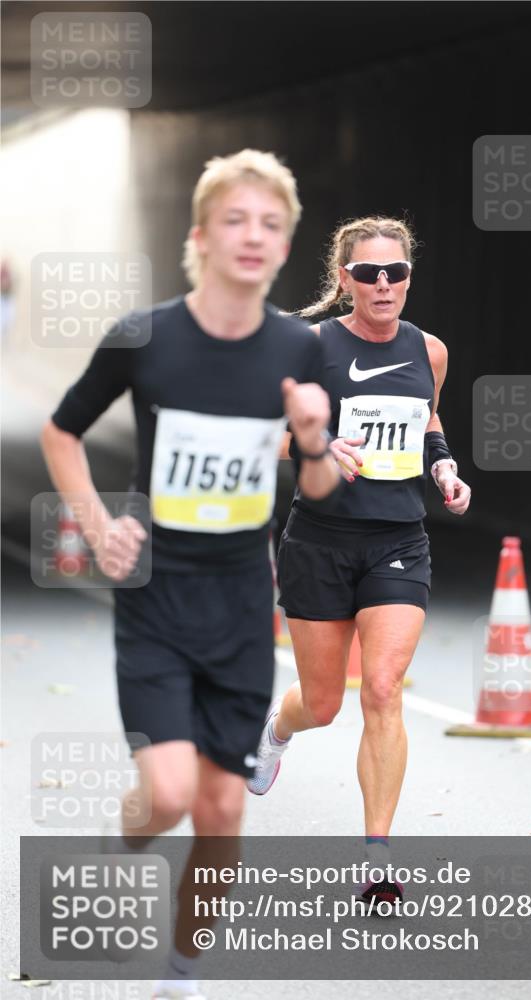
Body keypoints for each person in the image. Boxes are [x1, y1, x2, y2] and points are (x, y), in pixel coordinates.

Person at [40, 149, 339, 1000]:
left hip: (243, 604)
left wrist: (313, 440)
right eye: (236, 220)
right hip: (157, 597)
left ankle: (180, 975)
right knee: (166, 796)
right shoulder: (146, 336)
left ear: (285, 249)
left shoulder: (296, 349)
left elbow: (318, 486)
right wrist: (98, 528)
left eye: (271, 225)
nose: (253, 237)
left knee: (220, 812)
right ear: (200, 237)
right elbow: (64, 432)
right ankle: (120, 845)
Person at [247, 216, 471, 908]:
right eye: (367, 273)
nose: (382, 285)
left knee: (381, 688)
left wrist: (443, 470)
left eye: (394, 272)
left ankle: (376, 856)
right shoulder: (306, 346)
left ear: (409, 278)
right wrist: (316, 449)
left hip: (397, 540)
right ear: (343, 279)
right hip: (317, 541)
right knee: (321, 702)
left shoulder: (427, 350)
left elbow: (426, 421)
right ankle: (274, 731)